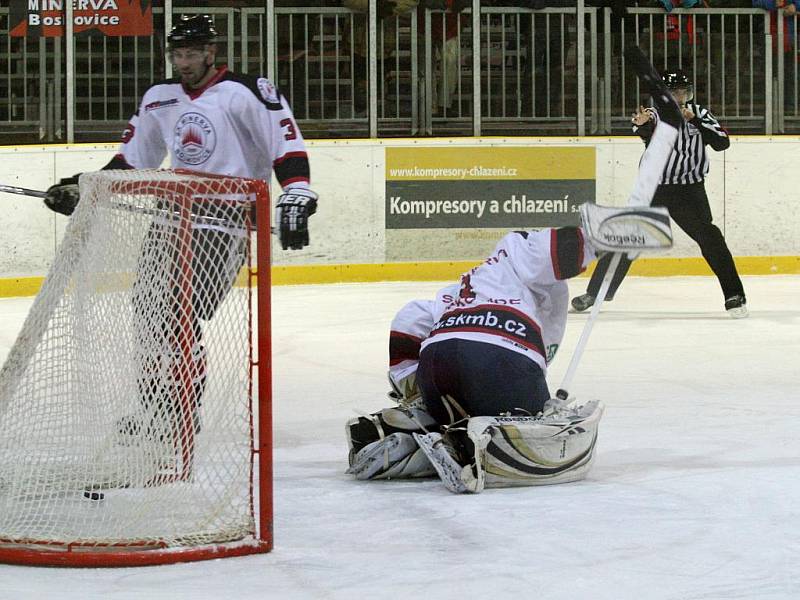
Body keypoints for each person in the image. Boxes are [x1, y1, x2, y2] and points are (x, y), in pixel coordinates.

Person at [347, 47, 683, 492]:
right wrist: (622, 229)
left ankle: (411, 431)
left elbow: (408, 318)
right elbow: (556, 251)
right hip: (500, 361)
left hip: (436, 363)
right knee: (540, 427)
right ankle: (477, 444)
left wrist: (412, 382)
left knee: (454, 412)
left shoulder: (462, 286)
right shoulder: (519, 255)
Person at [42, 15, 318, 475]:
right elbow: (132, 160)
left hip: (222, 221)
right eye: (178, 54)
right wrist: (83, 185)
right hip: (171, 217)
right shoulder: (159, 97)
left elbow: (286, 146)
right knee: (147, 308)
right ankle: (154, 407)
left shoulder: (247, 91)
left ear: (211, 52)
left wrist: (297, 192)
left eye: (192, 53)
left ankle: (180, 413)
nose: (184, 62)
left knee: (178, 313)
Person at [571, 68, 747, 318]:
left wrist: (694, 120)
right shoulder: (653, 116)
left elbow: (722, 142)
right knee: (627, 238)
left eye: (683, 92)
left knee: (711, 239)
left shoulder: (700, 113)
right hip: (655, 189)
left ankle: (734, 295)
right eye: (674, 93)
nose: (679, 97)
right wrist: (641, 125)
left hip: (690, 191)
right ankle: (596, 292)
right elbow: (645, 130)